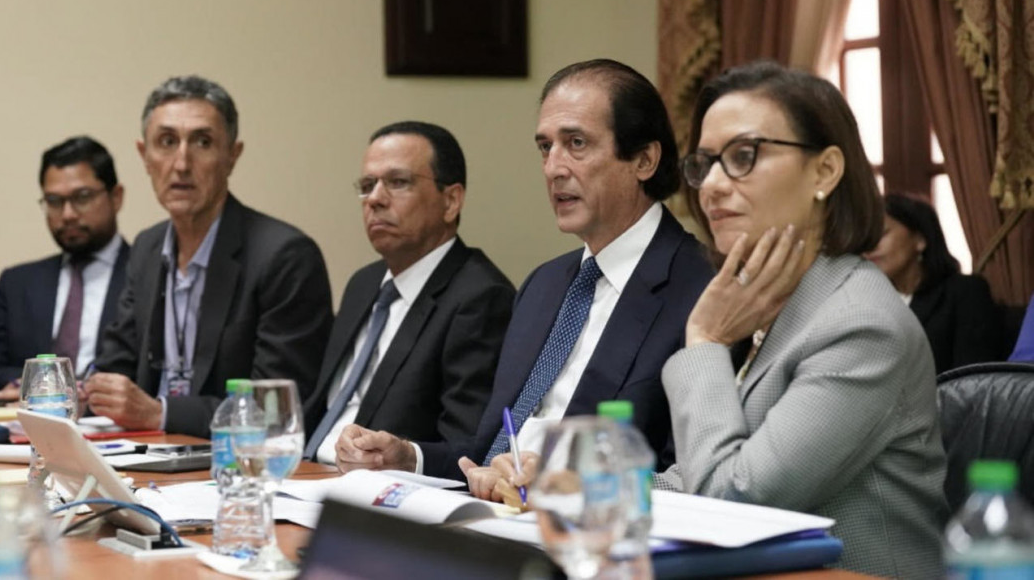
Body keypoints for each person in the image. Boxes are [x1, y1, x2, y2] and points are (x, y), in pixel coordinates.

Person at [337, 59, 713, 480]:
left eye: (576, 143)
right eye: (545, 147)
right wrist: (409, 458)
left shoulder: (700, 287)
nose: (553, 167)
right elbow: (489, 451)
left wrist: (555, 483)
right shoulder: (544, 284)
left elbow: (689, 474)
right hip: (492, 517)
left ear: (644, 159)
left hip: (592, 528)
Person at [660, 61, 947, 576]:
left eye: (743, 157)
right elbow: (702, 472)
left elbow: (731, 502)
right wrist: (570, 480)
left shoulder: (860, 325)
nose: (713, 187)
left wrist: (703, 341)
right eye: (705, 164)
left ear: (825, 171)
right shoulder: (780, 304)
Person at [85, 75, 334, 437]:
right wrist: (81, 395)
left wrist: (160, 413)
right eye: (167, 142)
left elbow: (275, 410)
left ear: (232, 155)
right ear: (144, 156)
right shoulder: (147, 248)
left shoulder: (284, 256)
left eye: (202, 142)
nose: (181, 163)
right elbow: (115, 367)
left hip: (237, 467)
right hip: (147, 458)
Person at [303, 121, 514, 467]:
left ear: (451, 200)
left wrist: (403, 457)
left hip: (379, 496)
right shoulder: (364, 283)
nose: (374, 199)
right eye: (368, 185)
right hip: (303, 473)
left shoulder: (480, 298)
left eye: (398, 183)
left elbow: (471, 448)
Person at [0, 136, 130, 398]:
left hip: (121, 430)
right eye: (54, 201)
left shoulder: (150, 276)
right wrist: (34, 385)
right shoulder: (18, 283)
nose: (67, 214)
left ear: (116, 197)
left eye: (82, 197)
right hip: (31, 430)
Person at [865, 192, 1006, 372]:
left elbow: (971, 381)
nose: (870, 246)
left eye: (881, 234)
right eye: (866, 238)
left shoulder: (965, 292)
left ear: (920, 239)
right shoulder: (866, 302)